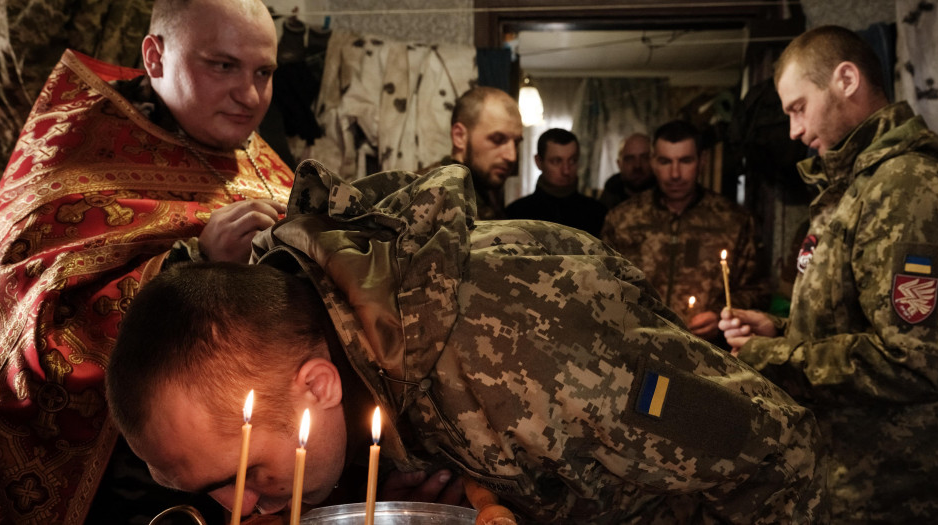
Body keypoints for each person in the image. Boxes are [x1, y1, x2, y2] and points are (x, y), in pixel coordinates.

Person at [106, 159, 824, 524]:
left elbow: (780, 455)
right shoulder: (330, 326)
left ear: (315, 386)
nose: (245, 507)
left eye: (251, 471)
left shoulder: (537, 352)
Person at [0, 1, 296, 523]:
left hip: (252, 480)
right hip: (119, 485)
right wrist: (193, 261)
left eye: (265, 73)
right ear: (155, 56)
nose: (249, 95)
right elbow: (18, 334)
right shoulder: (69, 155)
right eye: (222, 65)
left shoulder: (268, 170)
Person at [718, 25, 938, 523]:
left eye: (798, 108)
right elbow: (852, 323)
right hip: (838, 468)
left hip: (883, 485)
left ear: (845, 79)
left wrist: (773, 355)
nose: (795, 131)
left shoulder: (909, 187)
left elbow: (912, 361)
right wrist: (781, 330)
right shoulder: (854, 183)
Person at [603, 120, 765, 343]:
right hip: (635, 345)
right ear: (653, 162)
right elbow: (603, 283)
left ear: (702, 161)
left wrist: (719, 315)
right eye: (665, 161)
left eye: (685, 161)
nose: (675, 174)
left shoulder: (733, 220)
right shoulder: (622, 218)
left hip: (708, 353)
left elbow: (758, 290)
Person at [428, 86, 523, 220]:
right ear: (459, 136)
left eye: (516, 143)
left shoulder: (482, 187)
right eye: (498, 140)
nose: (511, 156)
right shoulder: (430, 195)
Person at [504, 128, 608, 236]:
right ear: (539, 162)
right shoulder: (517, 214)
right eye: (556, 161)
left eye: (573, 160)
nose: (566, 170)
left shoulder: (597, 213)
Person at [598, 132, 654, 209]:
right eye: (630, 159)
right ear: (619, 164)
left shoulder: (668, 200)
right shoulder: (604, 206)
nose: (637, 165)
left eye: (644, 158)